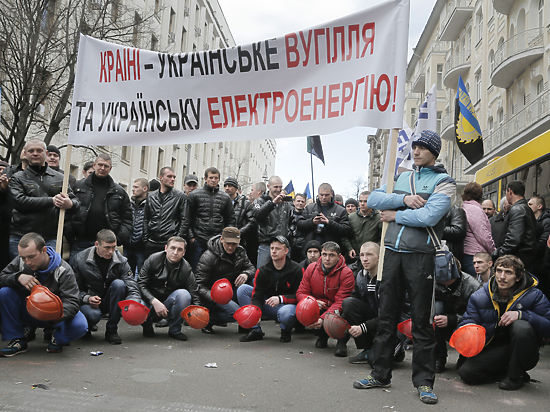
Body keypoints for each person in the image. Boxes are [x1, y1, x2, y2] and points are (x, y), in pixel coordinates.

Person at [354, 130, 455, 405]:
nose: (417, 151)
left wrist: (396, 215)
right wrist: (404, 199)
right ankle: (380, 373)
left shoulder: (444, 182)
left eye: (423, 147)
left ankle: (423, 382)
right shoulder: (402, 177)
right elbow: (374, 200)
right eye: (415, 147)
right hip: (392, 255)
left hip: (421, 256)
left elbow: (430, 216)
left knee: (422, 322)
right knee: (386, 317)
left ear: (434, 152)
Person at [457, 255, 550, 390]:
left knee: (521, 326)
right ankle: (509, 372)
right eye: (499, 271)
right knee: (467, 373)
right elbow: (468, 320)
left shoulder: (535, 295)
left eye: (508, 272)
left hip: (524, 350)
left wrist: (522, 315)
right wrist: (467, 328)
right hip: (495, 347)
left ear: (518, 277)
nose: (502, 277)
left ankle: (515, 377)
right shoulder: (480, 296)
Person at [0, 233, 87, 356]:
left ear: (44, 250)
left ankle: (57, 336)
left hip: (55, 316)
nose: (27, 262)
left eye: (31, 257)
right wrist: (18, 277)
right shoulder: (21, 261)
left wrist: (52, 313)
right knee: (4, 293)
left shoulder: (63, 269)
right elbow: (2, 277)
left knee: (80, 325)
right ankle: (18, 339)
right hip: (29, 310)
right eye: (24, 258)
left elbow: (73, 301)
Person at [8, 139, 78, 259]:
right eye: (31, 151)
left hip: (50, 238)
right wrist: (52, 201)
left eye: (39, 150)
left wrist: (70, 204)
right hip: (21, 237)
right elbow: (19, 202)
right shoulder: (17, 178)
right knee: (23, 273)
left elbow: (76, 202)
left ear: (45, 153)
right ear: (25, 154)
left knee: (48, 274)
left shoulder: (61, 178)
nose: (35, 153)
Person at [73, 229, 140, 344]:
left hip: (111, 300)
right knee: (93, 315)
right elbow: (73, 290)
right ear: (96, 244)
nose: (111, 251)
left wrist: (132, 302)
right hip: (90, 301)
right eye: (107, 247)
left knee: (119, 284)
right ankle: (86, 327)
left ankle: (112, 331)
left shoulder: (121, 261)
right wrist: (87, 298)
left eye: (114, 247)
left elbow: (131, 285)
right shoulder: (79, 259)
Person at [237, 236, 303, 343]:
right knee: (243, 289)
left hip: (286, 306)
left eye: (277, 249)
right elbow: (257, 295)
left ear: (286, 251)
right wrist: (256, 311)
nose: (273, 251)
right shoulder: (263, 270)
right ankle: (255, 330)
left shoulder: (297, 269)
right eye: (272, 248)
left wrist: (281, 299)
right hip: (267, 304)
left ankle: (285, 330)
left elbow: (300, 295)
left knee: (286, 312)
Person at [69, 153, 132, 260]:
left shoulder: (119, 192)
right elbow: (68, 211)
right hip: (81, 241)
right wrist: (70, 232)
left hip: (107, 245)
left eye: (106, 166)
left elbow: (128, 218)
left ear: (110, 168)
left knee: (105, 275)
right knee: (77, 274)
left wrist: (118, 238)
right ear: (94, 165)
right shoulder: (78, 186)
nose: (102, 168)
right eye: (100, 165)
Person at [296, 241, 354, 354]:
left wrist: (323, 319)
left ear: (339, 256)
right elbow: (301, 292)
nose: (327, 258)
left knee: (347, 308)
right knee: (305, 308)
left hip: (337, 308)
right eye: (324, 254)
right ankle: (322, 336)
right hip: (320, 305)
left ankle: (341, 341)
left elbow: (341, 301)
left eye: (331, 255)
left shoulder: (346, 273)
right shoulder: (311, 268)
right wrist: (312, 302)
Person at [138, 236, 200, 341]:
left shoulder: (186, 268)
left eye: (180, 249)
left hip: (169, 305)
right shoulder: (153, 259)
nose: (175, 252)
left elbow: (194, 291)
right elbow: (140, 284)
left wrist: (198, 312)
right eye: (173, 248)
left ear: (184, 252)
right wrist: (153, 301)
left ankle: (175, 330)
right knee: (137, 303)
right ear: (166, 248)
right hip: (150, 302)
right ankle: (147, 325)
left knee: (184, 294)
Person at [195, 227, 256, 333]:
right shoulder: (208, 256)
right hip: (214, 294)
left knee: (252, 281)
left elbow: (251, 268)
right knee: (236, 312)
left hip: (232, 289)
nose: (231, 247)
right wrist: (215, 297)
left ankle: (245, 324)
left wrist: (246, 274)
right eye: (228, 243)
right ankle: (208, 319)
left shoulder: (240, 251)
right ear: (222, 239)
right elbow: (199, 285)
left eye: (234, 244)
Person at [433, 259, 482, 372]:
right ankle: (438, 355)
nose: (443, 282)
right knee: (434, 312)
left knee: (473, 329)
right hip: (441, 320)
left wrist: (453, 319)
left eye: (446, 279)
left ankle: (465, 356)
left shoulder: (473, 286)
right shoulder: (432, 280)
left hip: (464, 323)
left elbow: (479, 316)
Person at [182, 167, 235, 269]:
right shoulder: (194, 195)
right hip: (198, 239)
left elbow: (231, 220)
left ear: (219, 179)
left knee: (215, 269)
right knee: (196, 268)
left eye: (216, 178)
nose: (213, 180)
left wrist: (225, 238)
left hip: (217, 240)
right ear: (205, 178)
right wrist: (192, 237)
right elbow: (187, 218)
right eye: (211, 177)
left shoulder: (225, 197)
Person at [492, 181, 537, 273]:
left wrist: (498, 254)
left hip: (517, 259)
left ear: (510, 191)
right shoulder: (524, 208)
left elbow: (513, 240)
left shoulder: (518, 209)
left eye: (506, 192)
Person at [143, 167, 187, 257]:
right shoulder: (151, 196)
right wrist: (146, 238)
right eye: (169, 176)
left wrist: (176, 240)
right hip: (151, 242)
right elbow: (146, 218)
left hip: (169, 243)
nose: (173, 179)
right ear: (161, 177)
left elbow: (184, 220)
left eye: (174, 177)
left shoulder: (180, 197)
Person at [297, 183, 352, 253]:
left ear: (331, 194)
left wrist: (329, 223)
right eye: (321, 195)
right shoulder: (309, 208)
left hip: (331, 250)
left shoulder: (341, 210)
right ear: (318, 194)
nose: (323, 197)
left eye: (326, 195)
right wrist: (312, 222)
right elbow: (299, 225)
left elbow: (346, 230)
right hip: (311, 250)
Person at [253, 176, 294, 268]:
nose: (278, 190)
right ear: (268, 186)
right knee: (261, 274)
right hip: (266, 244)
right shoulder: (259, 201)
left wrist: (290, 233)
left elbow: (293, 221)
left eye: (280, 187)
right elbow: (257, 216)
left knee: (284, 276)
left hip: (283, 245)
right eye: (276, 187)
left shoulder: (286, 203)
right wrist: (273, 203)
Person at [461, 183, 495, 276]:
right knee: (479, 286)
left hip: (467, 253)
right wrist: (493, 250)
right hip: (476, 255)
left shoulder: (464, 207)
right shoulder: (474, 210)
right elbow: (483, 235)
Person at [224, 177, 257, 264]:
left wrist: (239, 232)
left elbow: (252, 222)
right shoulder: (221, 202)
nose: (227, 188)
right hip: (224, 239)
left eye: (230, 186)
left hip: (240, 241)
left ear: (236, 188)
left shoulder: (245, 204)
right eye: (225, 186)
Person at [342, 191, 382, 262]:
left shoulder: (379, 218)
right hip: (354, 256)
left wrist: (374, 249)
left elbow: (382, 238)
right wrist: (349, 248)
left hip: (371, 257)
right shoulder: (351, 217)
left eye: (365, 201)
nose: (362, 204)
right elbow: (344, 235)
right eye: (360, 201)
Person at [126, 178, 149, 276]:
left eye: (136, 187)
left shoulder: (150, 204)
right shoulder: (128, 204)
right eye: (133, 187)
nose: (133, 189)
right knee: (127, 274)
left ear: (144, 189)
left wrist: (145, 239)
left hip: (142, 247)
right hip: (128, 245)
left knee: (141, 275)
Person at [528, 195, 550, 296]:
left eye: (530, 204)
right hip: (535, 261)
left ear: (539, 206)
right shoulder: (531, 221)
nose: (527, 206)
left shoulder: (547, 221)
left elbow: (543, 241)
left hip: (543, 263)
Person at [289, 193, 307, 262]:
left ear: (305, 203)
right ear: (294, 202)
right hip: (290, 246)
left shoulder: (308, 216)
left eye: (302, 201)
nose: (300, 203)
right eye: (298, 201)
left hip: (302, 247)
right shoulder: (288, 214)